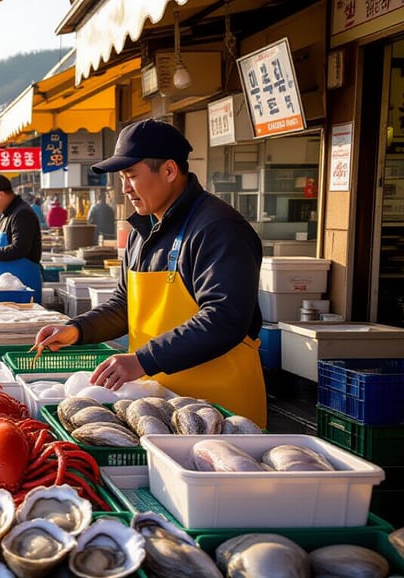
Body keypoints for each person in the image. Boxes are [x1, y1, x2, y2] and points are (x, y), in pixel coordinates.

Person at [32, 119, 267, 426]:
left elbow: (224, 318)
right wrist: (77, 330)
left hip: (222, 411)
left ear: (169, 171)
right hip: (161, 404)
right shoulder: (141, 232)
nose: (125, 188)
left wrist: (143, 360)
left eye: (131, 176)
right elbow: (124, 304)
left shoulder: (218, 229)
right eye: (121, 178)